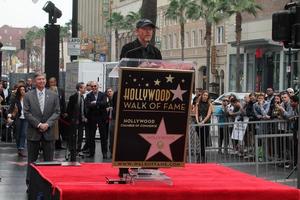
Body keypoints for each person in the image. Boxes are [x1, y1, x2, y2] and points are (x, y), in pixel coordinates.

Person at [117, 19, 162, 177]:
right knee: (129, 133)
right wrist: (139, 67)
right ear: (137, 31)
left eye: (151, 29)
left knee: (148, 132)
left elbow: (162, 73)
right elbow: (121, 70)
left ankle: (145, 165)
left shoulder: (155, 52)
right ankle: (124, 167)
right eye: (145, 29)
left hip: (149, 99)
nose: (148, 32)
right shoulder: (128, 49)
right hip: (131, 98)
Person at [24, 73, 60, 187]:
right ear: (35, 81)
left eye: (43, 79)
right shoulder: (28, 95)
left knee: (49, 160)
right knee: (32, 160)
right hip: (33, 132)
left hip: (48, 132)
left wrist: (47, 124)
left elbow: (57, 112)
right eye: (39, 79)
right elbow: (26, 113)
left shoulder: (53, 95)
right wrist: (39, 124)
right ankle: (30, 184)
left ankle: (48, 184)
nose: (42, 81)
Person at [85, 81, 108, 159]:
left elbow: (104, 103)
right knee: (91, 136)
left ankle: (104, 153)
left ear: (98, 86)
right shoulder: (88, 95)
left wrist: (95, 102)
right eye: (92, 86)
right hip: (92, 117)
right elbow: (88, 105)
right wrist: (98, 104)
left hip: (102, 117)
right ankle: (91, 153)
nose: (94, 88)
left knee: (103, 136)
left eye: (95, 86)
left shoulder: (103, 94)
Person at [66, 82, 87, 154]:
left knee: (80, 135)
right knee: (73, 136)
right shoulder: (73, 97)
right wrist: (73, 119)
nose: (85, 89)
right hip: (74, 120)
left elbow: (82, 109)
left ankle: (78, 149)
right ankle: (72, 150)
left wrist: (84, 117)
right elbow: (69, 109)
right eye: (84, 88)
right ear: (80, 88)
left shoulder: (82, 97)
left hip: (81, 120)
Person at [7, 85, 27, 157]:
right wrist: (9, 116)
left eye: (23, 89)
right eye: (21, 90)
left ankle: (21, 148)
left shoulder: (27, 99)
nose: (22, 91)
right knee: (17, 134)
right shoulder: (15, 99)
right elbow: (10, 108)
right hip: (18, 118)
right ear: (19, 91)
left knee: (24, 134)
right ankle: (19, 148)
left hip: (25, 119)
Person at [48, 77, 67, 149]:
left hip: (60, 113)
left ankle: (58, 145)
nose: (52, 84)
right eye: (50, 82)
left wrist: (64, 111)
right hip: (50, 114)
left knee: (59, 129)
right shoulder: (47, 90)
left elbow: (63, 101)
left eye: (53, 82)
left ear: (55, 82)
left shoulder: (61, 90)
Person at [195, 90, 213, 163]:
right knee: (201, 140)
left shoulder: (209, 104)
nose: (205, 96)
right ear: (202, 95)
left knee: (204, 140)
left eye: (206, 95)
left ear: (208, 97)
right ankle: (202, 156)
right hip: (199, 124)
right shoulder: (197, 104)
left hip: (206, 124)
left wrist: (203, 122)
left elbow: (208, 115)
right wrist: (198, 122)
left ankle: (202, 156)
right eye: (204, 95)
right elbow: (196, 113)